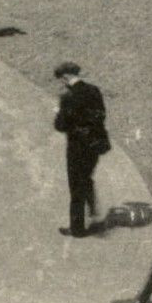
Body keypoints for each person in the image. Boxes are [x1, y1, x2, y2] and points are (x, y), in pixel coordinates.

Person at [53, 61, 111, 238]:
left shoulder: (68, 98)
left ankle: (77, 229)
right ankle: (92, 207)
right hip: (94, 144)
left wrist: (58, 112)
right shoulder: (94, 90)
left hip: (77, 148)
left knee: (76, 187)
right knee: (86, 177)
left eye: (61, 80)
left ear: (66, 77)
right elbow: (101, 114)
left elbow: (61, 126)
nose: (62, 83)